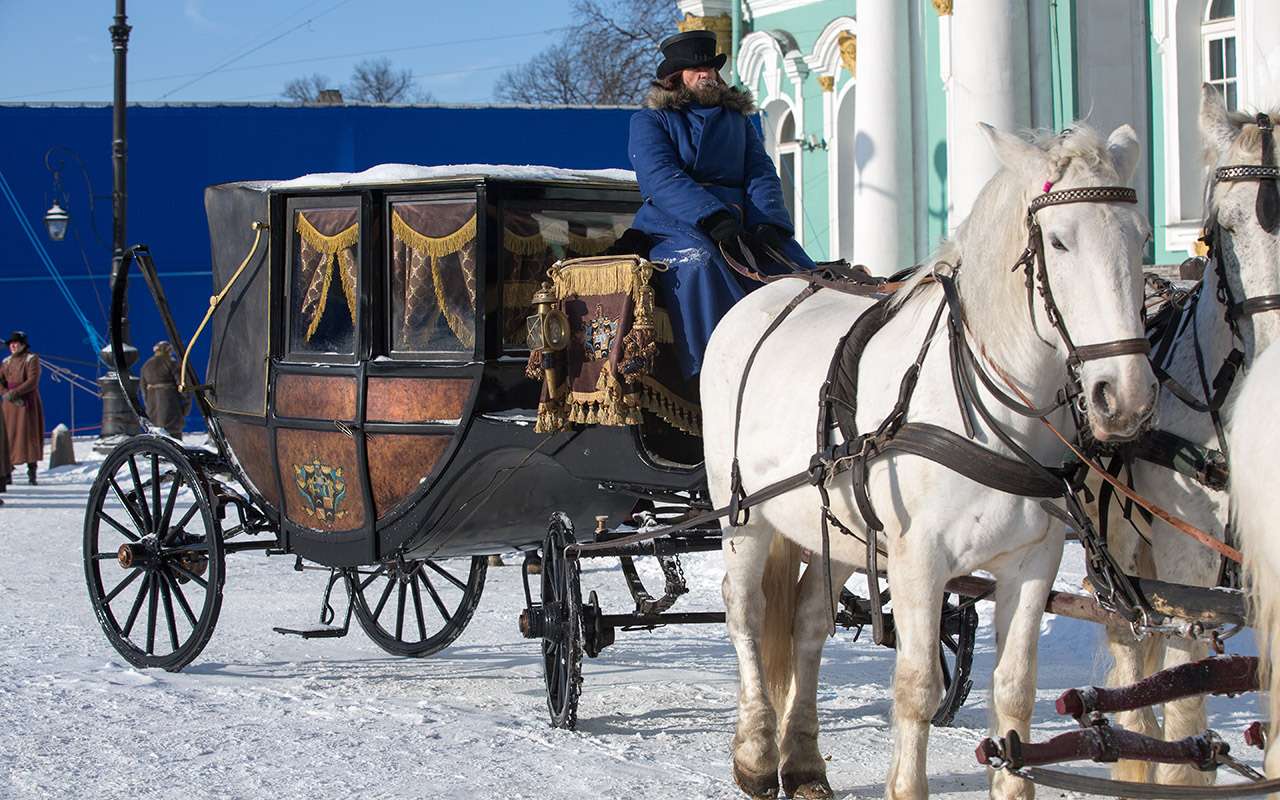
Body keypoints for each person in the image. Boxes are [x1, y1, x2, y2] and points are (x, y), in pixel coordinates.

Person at [627, 29, 814, 378]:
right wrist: (710, 217)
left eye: (711, 68)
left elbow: (761, 173)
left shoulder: (737, 122)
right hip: (674, 222)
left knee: (794, 268)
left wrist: (767, 222)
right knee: (700, 263)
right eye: (697, 69)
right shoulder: (650, 121)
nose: (707, 75)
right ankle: (713, 371)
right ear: (675, 77)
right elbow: (661, 177)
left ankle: (805, 360)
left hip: (741, 220)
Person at [2, 331, 44, 486]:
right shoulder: (6, 361)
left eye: (16, 343)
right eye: (11, 344)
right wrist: (6, 393)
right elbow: (1, 381)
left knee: (28, 435)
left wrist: (16, 392)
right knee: (8, 437)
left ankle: (31, 471)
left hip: (26, 402)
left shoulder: (31, 359)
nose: (13, 346)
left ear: (23, 345)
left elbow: (32, 380)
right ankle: (7, 471)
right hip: (9, 405)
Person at [140, 341, 189, 438]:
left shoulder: (146, 365)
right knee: (173, 436)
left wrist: (148, 405)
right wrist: (186, 405)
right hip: (170, 404)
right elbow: (182, 385)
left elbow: (143, 389)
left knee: (155, 434)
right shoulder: (172, 363)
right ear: (169, 350)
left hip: (152, 406)